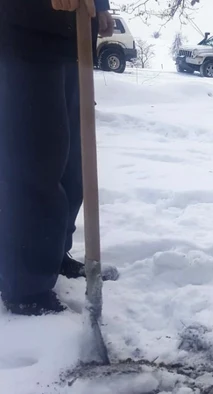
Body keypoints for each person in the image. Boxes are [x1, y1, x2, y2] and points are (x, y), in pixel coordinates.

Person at [0, 0, 118, 316]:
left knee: (70, 165)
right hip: (24, 36)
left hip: (71, 36)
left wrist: (100, 4)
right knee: (34, 162)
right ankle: (26, 287)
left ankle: (53, 255)